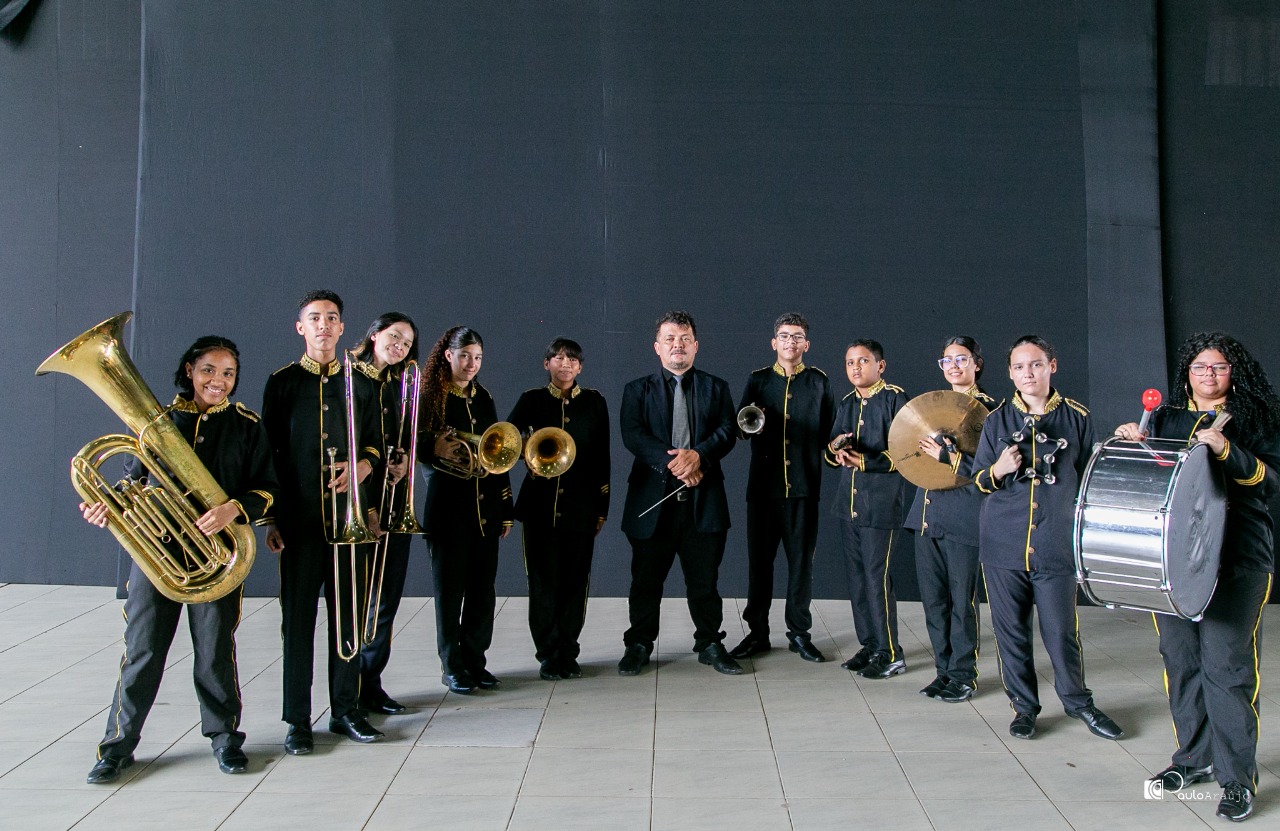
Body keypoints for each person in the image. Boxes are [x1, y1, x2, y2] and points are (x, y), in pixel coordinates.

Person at [84, 336, 278, 784]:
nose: (219, 381)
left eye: (228, 373)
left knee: (214, 653)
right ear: (190, 370)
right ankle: (116, 747)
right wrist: (106, 505)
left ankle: (225, 739)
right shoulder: (158, 423)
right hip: (157, 556)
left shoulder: (247, 426)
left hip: (218, 556)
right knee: (142, 651)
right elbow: (133, 483)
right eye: (209, 370)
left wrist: (234, 508)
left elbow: (270, 489)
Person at [1116, 332, 1280, 822]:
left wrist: (1228, 449)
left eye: (1219, 368)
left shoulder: (1258, 418)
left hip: (1237, 559)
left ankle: (1237, 779)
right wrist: (1134, 444)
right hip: (1173, 561)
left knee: (1226, 669)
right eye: (1199, 368)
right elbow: (1153, 485)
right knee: (1181, 660)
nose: (1208, 376)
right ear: (1186, 373)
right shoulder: (1163, 417)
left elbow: (1269, 482)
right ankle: (1192, 758)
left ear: (1235, 372)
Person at [972, 334, 1121, 742]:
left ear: (1051, 366)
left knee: (1061, 631)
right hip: (1004, 544)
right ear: (1009, 373)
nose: (1028, 373)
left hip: (1056, 543)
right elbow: (979, 482)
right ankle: (1024, 708)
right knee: (1011, 632)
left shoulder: (1077, 418)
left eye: (1035, 364)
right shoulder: (996, 420)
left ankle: (1079, 703)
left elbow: (1093, 480)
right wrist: (1000, 469)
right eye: (1019, 367)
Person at [262, 289, 385, 754]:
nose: (323, 325)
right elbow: (269, 455)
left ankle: (346, 710)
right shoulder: (282, 383)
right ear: (301, 328)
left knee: (349, 620)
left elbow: (376, 442)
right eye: (314, 318)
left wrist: (362, 469)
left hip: (349, 522)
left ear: (341, 328)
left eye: (332, 318)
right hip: (299, 523)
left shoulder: (364, 381)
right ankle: (297, 720)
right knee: (297, 622)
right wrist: (272, 518)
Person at [617, 310, 741, 676]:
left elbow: (727, 429)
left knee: (705, 581)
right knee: (645, 581)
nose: (677, 345)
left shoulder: (716, 388)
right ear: (657, 347)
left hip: (703, 501)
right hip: (652, 502)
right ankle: (638, 643)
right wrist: (677, 463)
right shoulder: (636, 390)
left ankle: (709, 643)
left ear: (696, 346)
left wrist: (698, 456)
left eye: (684, 339)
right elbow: (633, 435)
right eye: (670, 339)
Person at [728, 313, 834, 664]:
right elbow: (741, 427)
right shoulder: (757, 380)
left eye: (798, 336)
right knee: (760, 566)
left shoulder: (819, 381)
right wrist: (751, 421)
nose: (791, 342)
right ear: (774, 342)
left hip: (803, 488)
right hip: (763, 489)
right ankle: (757, 634)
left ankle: (799, 634)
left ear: (807, 344)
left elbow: (830, 434)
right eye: (784, 336)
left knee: (801, 565)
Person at [508, 337, 611, 680]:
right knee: (542, 582)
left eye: (572, 359)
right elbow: (507, 441)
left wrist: (602, 506)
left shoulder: (595, 402)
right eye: (558, 357)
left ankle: (568, 650)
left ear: (580, 367)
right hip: (539, 507)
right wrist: (526, 452)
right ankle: (548, 653)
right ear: (546, 363)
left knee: (575, 582)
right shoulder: (531, 400)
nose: (565, 364)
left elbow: (602, 457)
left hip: (582, 506)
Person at [419, 326, 514, 695]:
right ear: (447, 355)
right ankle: (452, 666)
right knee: (449, 592)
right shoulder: (431, 396)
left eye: (477, 358)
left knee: (482, 591)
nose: (471, 364)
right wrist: (435, 449)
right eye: (464, 356)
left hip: (485, 509)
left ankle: (476, 661)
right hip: (447, 508)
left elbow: (497, 454)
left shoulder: (483, 396)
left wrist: (504, 507)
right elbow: (412, 444)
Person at [903, 336, 995, 703]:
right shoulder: (929, 408)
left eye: (962, 359)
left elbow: (991, 472)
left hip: (964, 517)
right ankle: (943, 670)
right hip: (926, 515)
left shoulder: (992, 412)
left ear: (977, 364)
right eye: (947, 360)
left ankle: (963, 674)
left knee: (962, 601)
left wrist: (946, 457)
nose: (954, 366)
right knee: (934, 601)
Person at [824, 339, 910, 678]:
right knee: (858, 581)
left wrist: (867, 461)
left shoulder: (895, 399)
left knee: (877, 580)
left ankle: (891, 653)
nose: (855, 368)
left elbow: (907, 453)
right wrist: (836, 449)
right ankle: (871, 645)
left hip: (881, 507)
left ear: (880, 366)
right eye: (849, 363)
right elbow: (831, 448)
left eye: (863, 361)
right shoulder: (846, 402)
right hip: (849, 505)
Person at [351, 312, 419, 715]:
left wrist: (404, 462)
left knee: (386, 599)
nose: (400, 346)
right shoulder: (349, 379)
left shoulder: (400, 386)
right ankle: (350, 687)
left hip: (394, 501)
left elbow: (407, 437)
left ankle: (372, 681)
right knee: (358, 601)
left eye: (408, 343)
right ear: (374, 335)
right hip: (358, 502)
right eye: (395, 337)